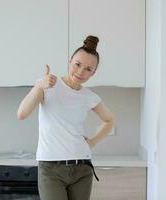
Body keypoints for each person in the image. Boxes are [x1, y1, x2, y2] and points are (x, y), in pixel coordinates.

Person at [17, 35, 114, 200]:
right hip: (51, 168)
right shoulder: (49, 84)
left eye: (88, 69)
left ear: (94, 72)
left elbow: (109, 120)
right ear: (70, 61)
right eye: (77, 64)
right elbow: (21, 114)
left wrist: (92, 142)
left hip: (82, 167)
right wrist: (38, 86)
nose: (81, 72)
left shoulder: (89, 96)